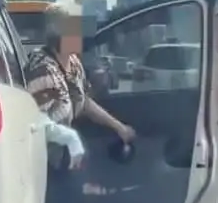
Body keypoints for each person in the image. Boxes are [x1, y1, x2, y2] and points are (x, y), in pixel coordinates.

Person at [25, 21, 135, 169]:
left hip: (63, 154)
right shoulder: (42, 71)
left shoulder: (73, 63)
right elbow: (35, 124)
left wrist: (119, 127)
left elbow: (84, 102)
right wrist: (71, 139)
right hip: (43, 161)